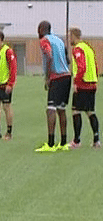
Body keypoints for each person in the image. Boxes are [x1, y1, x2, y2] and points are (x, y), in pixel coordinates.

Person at [35, 20, 72, 152]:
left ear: (41, 29)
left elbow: (49, 56)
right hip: (67, 75)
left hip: (56, 77)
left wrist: (48, 77)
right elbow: (67, 59)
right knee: (61, 108)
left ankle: (50, 144)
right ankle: (63, 142)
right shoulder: (59, 40)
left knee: (51, 109)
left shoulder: (44, 40)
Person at [68, 28, 100, 149]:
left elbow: (81, 67)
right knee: (90, 111)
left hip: (83, 84)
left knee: (76, 111)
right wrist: (95, 80)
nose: (69, 38)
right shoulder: (88, 48)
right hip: (91, 84)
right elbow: (95, 66)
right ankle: (96, 140)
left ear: (74, 36)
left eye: (69, 36)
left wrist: (76, 82)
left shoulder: (78, 49)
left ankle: (76, 141)